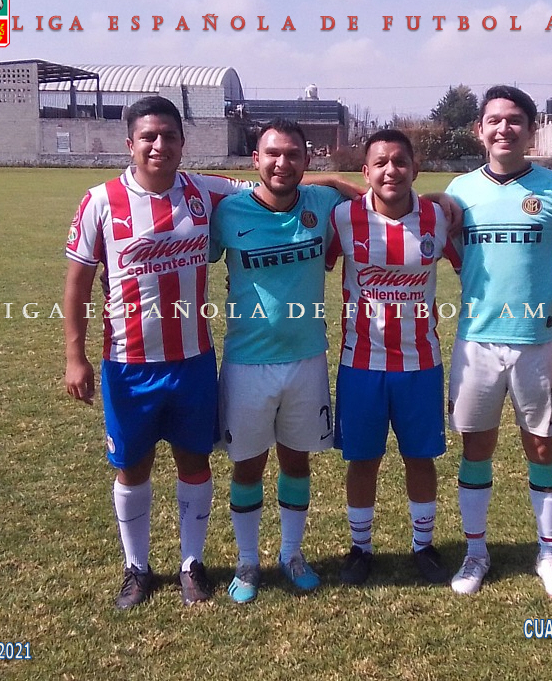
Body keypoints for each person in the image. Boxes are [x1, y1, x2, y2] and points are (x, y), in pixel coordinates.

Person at [63, 96, 253, 610]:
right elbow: (77, 286)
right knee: (132, 466)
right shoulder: (100, 201)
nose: (159, 145)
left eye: (169, 136)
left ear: (182, 143)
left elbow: (275, 186)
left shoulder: (205, 191)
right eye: (148, 136)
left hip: (192, 361)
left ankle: (192, 563)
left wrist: (350, 188)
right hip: (128, 365)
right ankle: (137, 568)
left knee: (194, 461)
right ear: (130, 143)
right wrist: (75, 357)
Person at [445, 85, 552, 601]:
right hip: (476, 344)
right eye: (494, 120)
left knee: (542, 447)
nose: (503, 128)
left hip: (538, 343)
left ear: (531, 130)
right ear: (479, 130)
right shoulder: (459, 191)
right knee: (475, 448)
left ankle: (549, 555)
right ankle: (475, 553)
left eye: (514, 120)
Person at [209, 119, 352, 604]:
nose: (281, 163)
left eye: (293, 155)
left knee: (296, 459)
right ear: (255, 159)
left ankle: (291, 553)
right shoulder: (228, 212)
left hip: (307, 358)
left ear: (307, 160)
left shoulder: (323, 202)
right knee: (247, 466)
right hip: (247, 362)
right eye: (272, 154)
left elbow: (375, 197)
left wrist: (334, 181)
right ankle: (248, 561)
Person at [326, 129, 461, 586]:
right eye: (380, 162)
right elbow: (302, 194)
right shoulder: (342, 218)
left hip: (420, 364)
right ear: (365, 172)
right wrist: (336, 181)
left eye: (400, 161)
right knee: (363, 460)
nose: (391, 170)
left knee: (420, 458)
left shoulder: (438, 218)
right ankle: (360, 548)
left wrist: (446, 199)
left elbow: (468, 262)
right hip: (360, 364)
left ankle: (423, 546)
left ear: (415, 169)